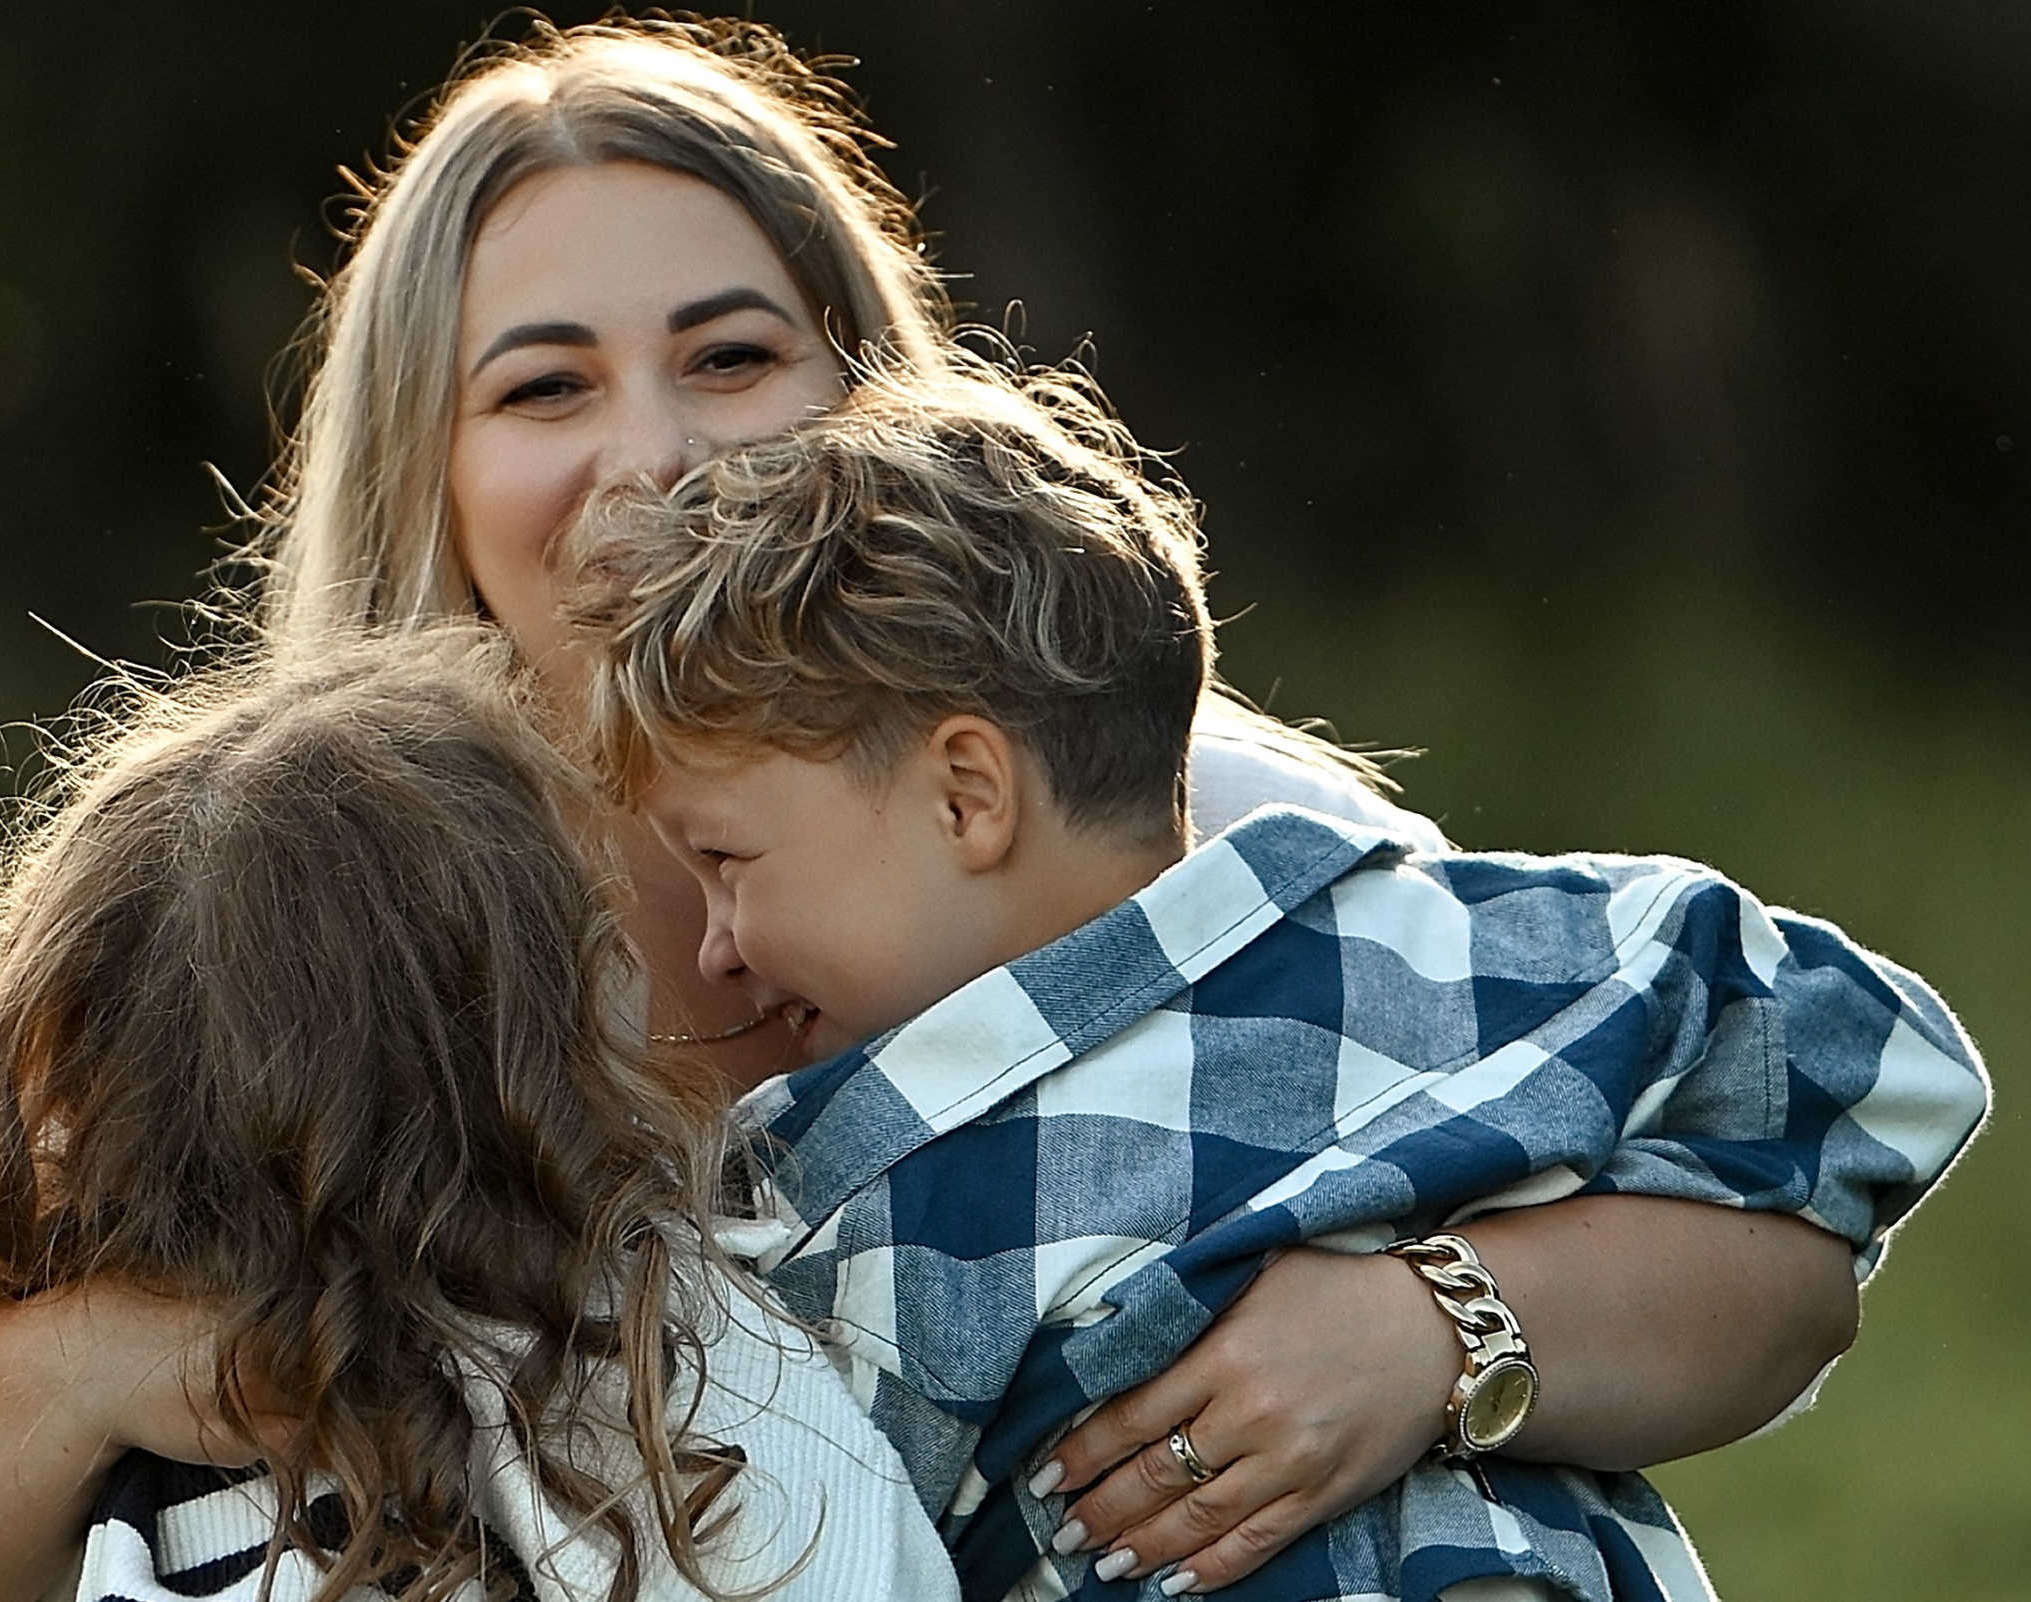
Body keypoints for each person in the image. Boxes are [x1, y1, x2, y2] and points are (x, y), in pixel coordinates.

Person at [0, 15, 1877, 1599]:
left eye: (728, 354)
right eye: (543, 383)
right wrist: (124, 1357)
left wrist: (1433, 1331)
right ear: (422, 464)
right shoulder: (296, 915)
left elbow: (1772, 1265)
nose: (653, 454)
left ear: (858, 389)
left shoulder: (1149, 822)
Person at [559, 367, 1989, 1600]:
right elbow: (1882, 1076)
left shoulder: (847, 1200)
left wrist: (1448, 1315)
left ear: (966, 795)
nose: (717, 945)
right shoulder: (1453, 950)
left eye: (729, 861)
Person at [0, 631, 963, 1602]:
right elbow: (851, 1556)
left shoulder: (25, 1263)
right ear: (531, 1054)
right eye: (596, 919)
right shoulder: (662, 1341)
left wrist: (20, 1213)